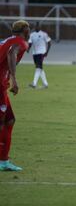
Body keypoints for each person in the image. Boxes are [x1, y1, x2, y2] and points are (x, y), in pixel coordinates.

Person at [0, 20, 30, 171]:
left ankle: (4, 161)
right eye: (28, 29)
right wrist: (14, 79)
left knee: (9, 121)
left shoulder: (7, 40)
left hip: (2, 86)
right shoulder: (20, 42)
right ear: (25, 30)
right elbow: (12, 53)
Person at [27, 22, 51, 89]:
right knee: (40, 68)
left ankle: (34, 83)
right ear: (34, 27)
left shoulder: (44, 34)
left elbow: (49, 43)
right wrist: (28, 49)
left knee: (38, 67)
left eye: (38, 26)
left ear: (40, 27)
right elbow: (30, 43)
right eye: (36, 26)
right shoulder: (32, 35)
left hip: (41, 53)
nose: (37, 27)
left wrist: (47, 52)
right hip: (35, 53)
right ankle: (45, 84)